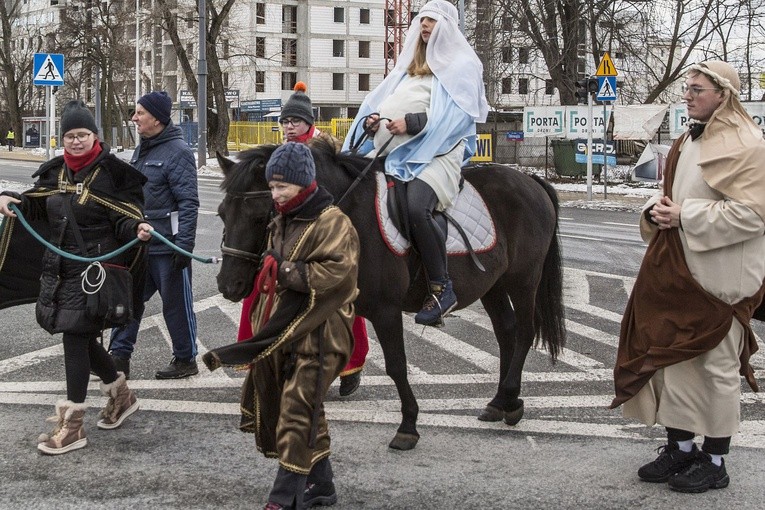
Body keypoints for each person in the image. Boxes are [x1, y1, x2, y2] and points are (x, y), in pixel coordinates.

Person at [611, 61, 765, 493]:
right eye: (687, 89)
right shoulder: (684, 139)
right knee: (670, 362)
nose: (688, 95)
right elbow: (671, 198)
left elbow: (754, 214)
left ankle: (714, 461)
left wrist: (684, 215)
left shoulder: (747, 144)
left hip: (720, 281)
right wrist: (656, 211)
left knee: (716, 368)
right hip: (676, 271)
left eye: (696, 89)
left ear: (723, 95)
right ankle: (680, 450)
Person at [203, 142, 360, 510]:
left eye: (281, 187)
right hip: (287, 330)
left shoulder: (333, 221)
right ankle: (322, 487)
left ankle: (283, 497)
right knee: (307, 409)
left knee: (297, 409)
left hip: (322, 333)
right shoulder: (280, 220)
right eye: (272, 187)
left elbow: (340, 274)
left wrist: (287, 271)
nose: (275, 194)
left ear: (303, 184)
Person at [0, 100, 151, 455]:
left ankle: (73, 425)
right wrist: (13, 200)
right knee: (81, 337)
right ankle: (120, 394)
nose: (76, 141)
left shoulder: (115, 174)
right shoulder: (55, 172)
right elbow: (39, 207)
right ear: (63, 137)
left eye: (83, 134)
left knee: (74, 336)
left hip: (97, 274)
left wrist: (138, 227)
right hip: (61, 270)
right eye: (70, 135)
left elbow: (124, 218)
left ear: (95, 136)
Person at [341, 0, 488, 327]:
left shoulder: (463, 65)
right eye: (422, 20)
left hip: (440, 153)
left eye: (432, 22)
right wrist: (374, 121)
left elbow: (458, 117)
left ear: (446, 28)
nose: (425, 26)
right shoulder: (408, 67)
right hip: (398, 153)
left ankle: (441, 287)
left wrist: (415, 122)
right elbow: (378, 101)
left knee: (416, 206)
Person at [239, 81, 368, 396]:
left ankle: (351, 365)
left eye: (294, 121)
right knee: (260, 295)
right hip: (284, 237)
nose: (288, 126)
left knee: (340, 300)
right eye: (284, 121)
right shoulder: (280, 151)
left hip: (321, 237)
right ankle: (260, 360)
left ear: (309, 122)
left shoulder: (327, 148)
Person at [108, 91, 200, 379]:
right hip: (140, 244)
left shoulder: (179, 152)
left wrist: (183, 246)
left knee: (176, 307)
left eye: (140, 113)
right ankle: (119, 356)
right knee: (128, 302)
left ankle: (185, 359)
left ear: (157, 119)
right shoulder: (144, 149)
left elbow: (188, 202)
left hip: (167, 246)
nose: (134, 117)